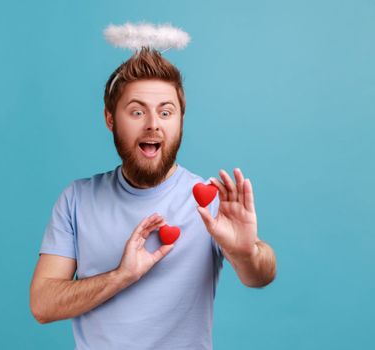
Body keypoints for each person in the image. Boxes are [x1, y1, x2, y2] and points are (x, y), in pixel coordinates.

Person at [30, 47, 277, 350]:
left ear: (180, 120)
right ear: (110, 119)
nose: (152, 124)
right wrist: (122, 276)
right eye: (136, 111)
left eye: (165, 112)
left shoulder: (209, 201)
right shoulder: (77, 200)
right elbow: (42, 305)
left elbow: (261, 275)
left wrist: (245, 252)